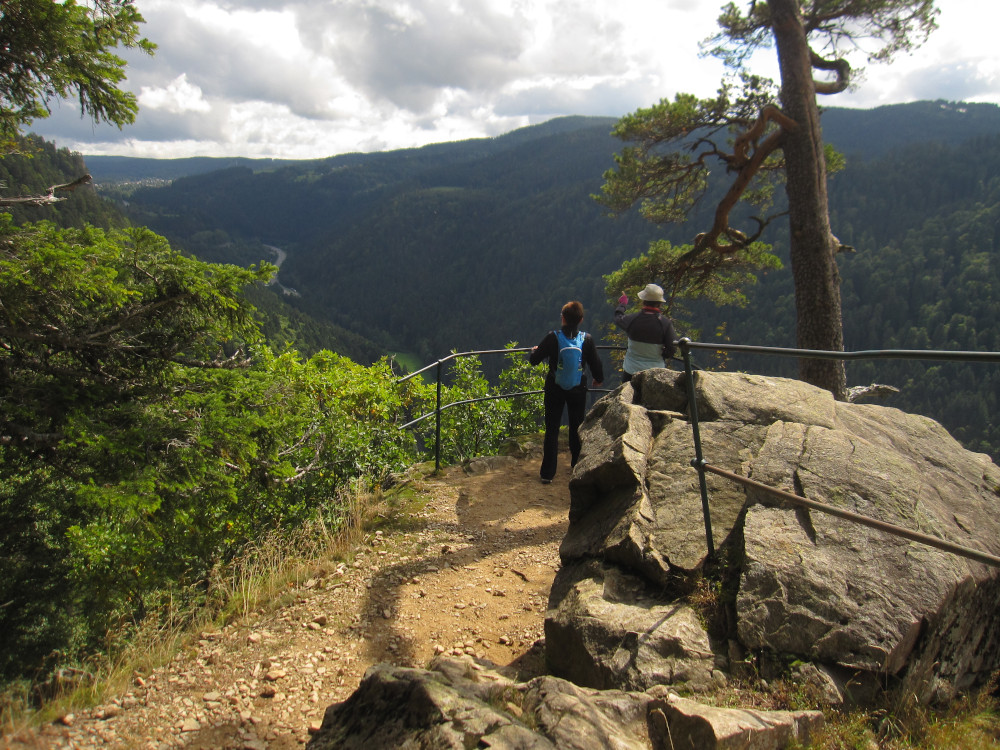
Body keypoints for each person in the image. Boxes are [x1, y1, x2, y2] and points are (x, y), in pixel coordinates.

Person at [529, 300, 604, 484]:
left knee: (552, 429)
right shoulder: (587, 339)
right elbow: (596, 366)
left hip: (555, 387)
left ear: (562, 318)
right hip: (578, 388)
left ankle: (547, 473)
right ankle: (577, 467)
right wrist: (598, 379)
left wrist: (534, 351)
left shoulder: (552, 338)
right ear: (581, 319)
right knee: (576, 426)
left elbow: (534, 360)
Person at [614, 283, 677, 382]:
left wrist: (622, 305)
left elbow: (618, 319)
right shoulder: (665, 324)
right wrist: (661, 355)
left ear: (643, 301)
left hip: (631, 370)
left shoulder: (632, 319)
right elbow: (672, 349)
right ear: (660, 303)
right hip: (655, 372)